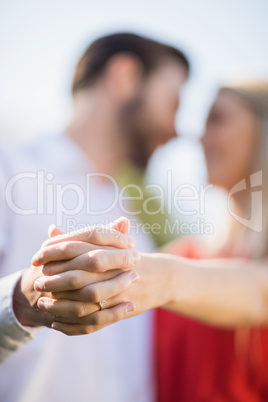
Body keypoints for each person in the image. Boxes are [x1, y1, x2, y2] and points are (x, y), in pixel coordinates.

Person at [29, 80, 268, 401]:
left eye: (218, 119)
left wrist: (152, 276)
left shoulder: (166, 268)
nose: (199, 137)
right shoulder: (182, 254)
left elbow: (258, 289)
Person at [0, 33, 190, 402]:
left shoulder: (134, 221)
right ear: (124, 75)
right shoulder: (8, 171)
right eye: (173, 103)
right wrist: (21, 302)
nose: (176, 130)